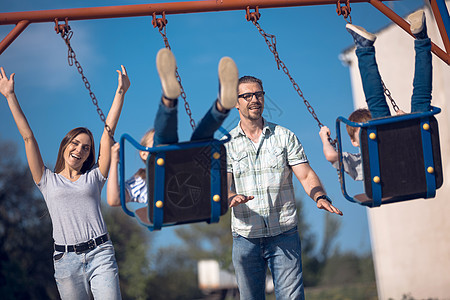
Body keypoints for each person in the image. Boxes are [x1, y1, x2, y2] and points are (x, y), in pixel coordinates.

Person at [0, 65, 129, 299]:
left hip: (100, 253)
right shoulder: (46, 180)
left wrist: (121, 91)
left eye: (86, 148)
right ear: (65, 145)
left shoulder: (95, 177)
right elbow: (28, 137)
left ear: (90, 155)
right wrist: (10, 96)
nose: (80, 150)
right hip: (65, 261)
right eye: (75, 143)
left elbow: (107, 133)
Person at [225, 75, 343, 300]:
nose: (254, 100)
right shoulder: (227, 144)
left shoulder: (284, 137)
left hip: (284, 234)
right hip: (245, 237)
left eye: (259, 94)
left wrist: (320, 196)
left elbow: (306, 174)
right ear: (235, 102)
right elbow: (224, 183)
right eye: (247, 95)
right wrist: (231, 195)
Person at [107, 48, 238, 207]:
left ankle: (215, 104)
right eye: (152, 141)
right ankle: (220, 108)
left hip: (177, 202)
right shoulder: (142, 179)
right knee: (180, 140)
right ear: (143, 153)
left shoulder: (141, 184)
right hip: (191, 200)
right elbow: (114, 200)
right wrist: (114, 161)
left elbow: (114, 201)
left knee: (196, 140)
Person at [319, 9, 432, 180]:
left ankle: (422, 40)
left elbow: (331, 156)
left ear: (354, 142)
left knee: (421, 98)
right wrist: (403, 122)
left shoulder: (362, 161)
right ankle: (366, 48)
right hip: (417, 154)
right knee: (384, 103)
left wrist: (323, 138)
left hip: (417, 172)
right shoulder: (404, 144)